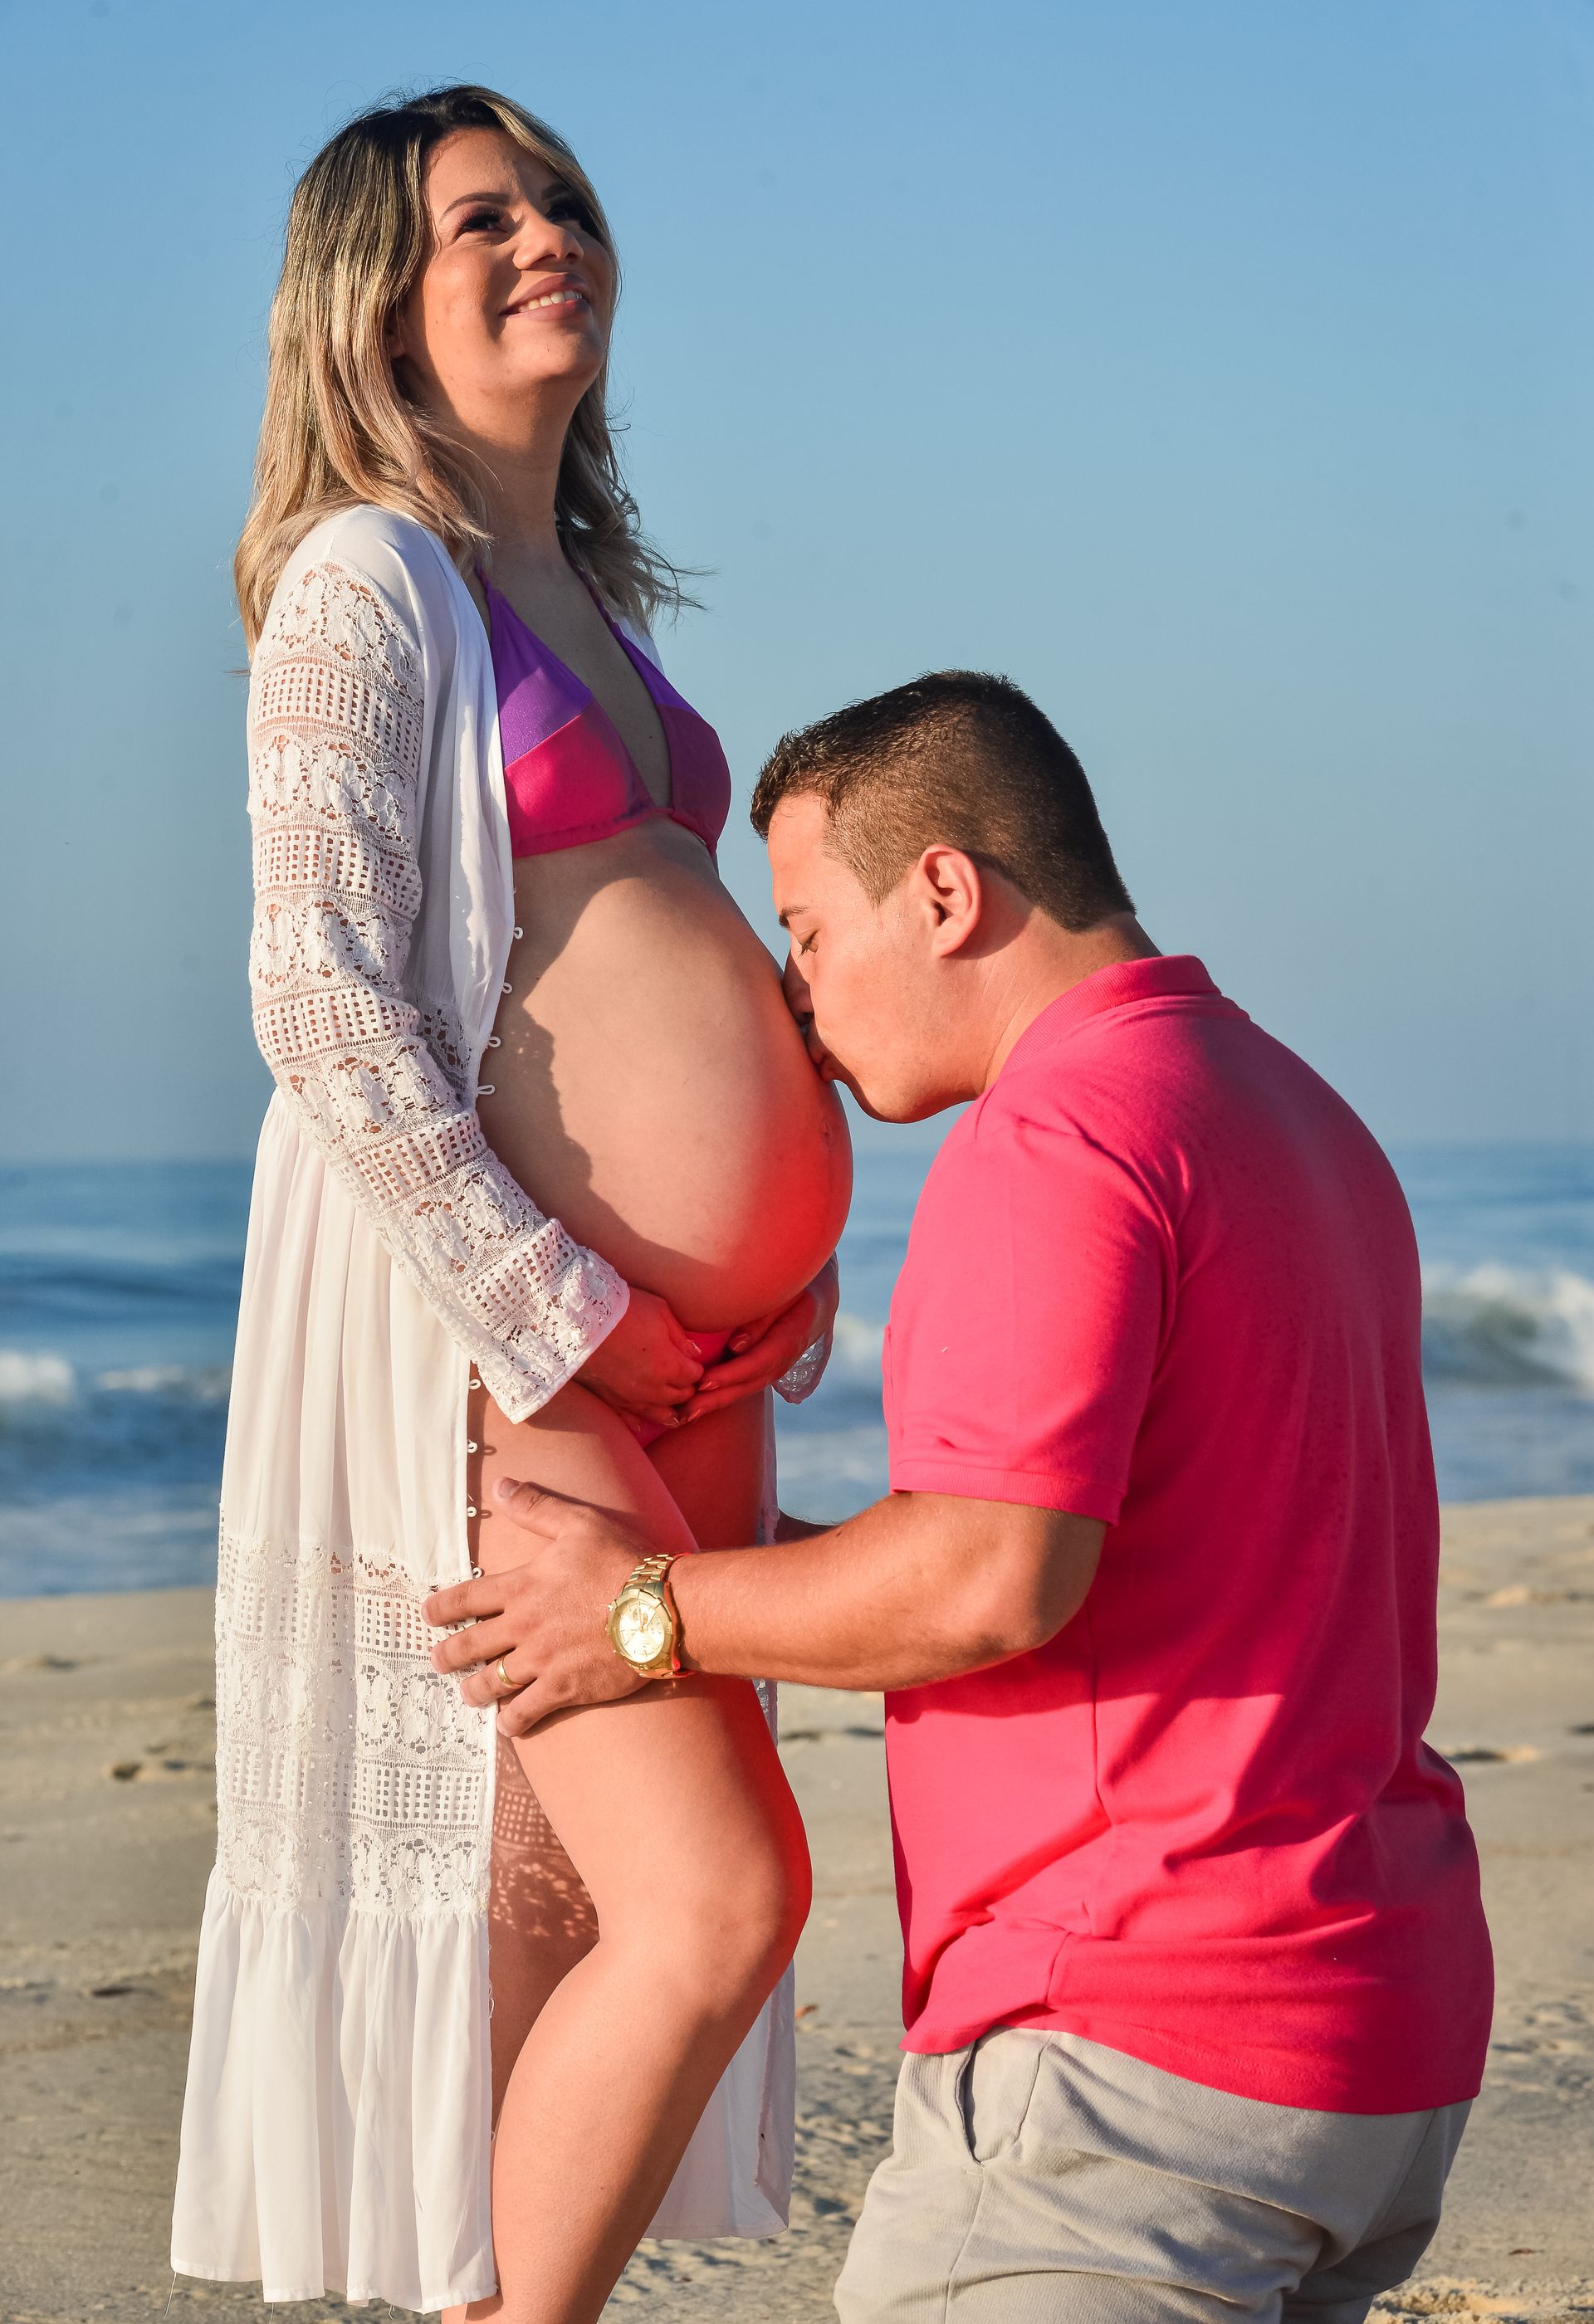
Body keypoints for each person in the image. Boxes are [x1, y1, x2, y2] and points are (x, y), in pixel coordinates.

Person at [426, 670, 1495, 2322]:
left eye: (807, 933)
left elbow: (990, 1578)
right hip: (1371, 2035)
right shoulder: (1293, 1112)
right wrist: (752, 1567)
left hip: (1136, 2057)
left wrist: (641, 1612)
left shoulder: (1064, 1133)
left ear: (943, 892)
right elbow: (1151, 1553)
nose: (794, 1000)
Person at [170, 85, 852, 2322]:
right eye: (484, 218)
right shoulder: (369, 578)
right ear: (376, 301)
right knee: (717, 1896)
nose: (546, 232)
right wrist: (571, 1308)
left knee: (560, 1917)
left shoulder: (593, 599)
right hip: (508, 1351)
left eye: (559, 199)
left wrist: (787, 1262)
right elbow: (319, 999)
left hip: (683, 1361)